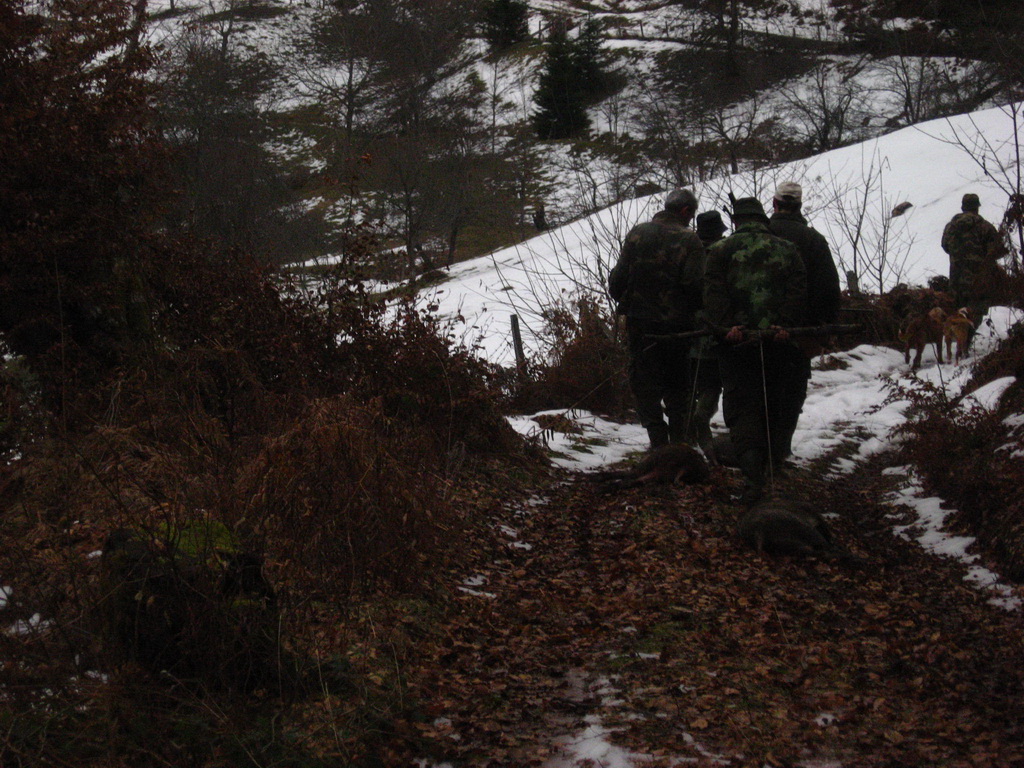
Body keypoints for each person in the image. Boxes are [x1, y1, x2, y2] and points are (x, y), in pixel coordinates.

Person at [702, 197, 806, 505]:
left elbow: (712, 294)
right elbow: (799, 292)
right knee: (776, 404)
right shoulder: (788, 249)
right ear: (764, 219)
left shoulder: (719, 251)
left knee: (741, 407)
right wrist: (784, 325)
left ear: (735, 221)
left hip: (736, 346)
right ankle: (774, 472)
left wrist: (726, 328)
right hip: (779, 344)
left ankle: (753, 479)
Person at [609, 189, 706, 449]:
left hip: (640, 325)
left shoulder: (638, 233)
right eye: (691, 214)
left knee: (644, 383)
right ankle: (678, 443)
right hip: (677, 328)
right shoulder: (690, 240)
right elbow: (695, 286)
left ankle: (657, 439)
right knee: (678, 385)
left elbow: (617, 281)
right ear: (686, 211)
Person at [767, 181, 841, 466]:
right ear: (799, 206)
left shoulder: (758, 233)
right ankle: (781, 448)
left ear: (774, 204)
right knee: (792, 389)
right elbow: (827, 288)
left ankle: (757, 449)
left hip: (754, 330)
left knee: (758, 388)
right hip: (800, 332)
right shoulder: (813, 239)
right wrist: (826, 327)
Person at [686, 210, 729, 461]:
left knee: (690, 383)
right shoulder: (725, 253)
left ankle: (686, 432)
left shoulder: (687, 251)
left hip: (687, 329)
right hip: (717, 331)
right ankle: (700, 424)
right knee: (711, 384)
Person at [941, 193, 1005, 325]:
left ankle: (960, 342)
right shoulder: (985, 227)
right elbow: (996, 251)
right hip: (977, 281)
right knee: (975, 315)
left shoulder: (951, 227)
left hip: (956, 280)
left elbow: (945, 246)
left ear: (963, 207)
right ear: (977, 207)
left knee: (957, 315)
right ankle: (970, 341)